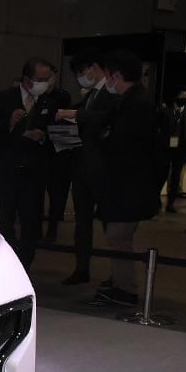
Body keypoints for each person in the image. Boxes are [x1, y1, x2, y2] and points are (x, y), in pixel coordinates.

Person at [67, 50, 160, 306]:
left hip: (129, 184)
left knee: (118, 236)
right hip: (124, 183)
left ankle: (126, 289)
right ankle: (121, 284)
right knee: (118, 237)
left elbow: (120, 141)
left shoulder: (136, 103)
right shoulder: (130, 100)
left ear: (117, 76)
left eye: (109, 76)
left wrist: (103, 137)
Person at [54, 49, 117, 285]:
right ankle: (82, 268)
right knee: (82, 223)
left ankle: (117, 275)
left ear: (95, 67)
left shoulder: (110, 93)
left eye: (83, 71)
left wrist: (77, 114)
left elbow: (105, 118)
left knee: (111, 225)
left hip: (103, 170)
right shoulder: (89, 96)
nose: (81, 77)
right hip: (81, 168)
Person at [0, 58, 56, 268]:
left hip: (34, 171)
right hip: (7, 169)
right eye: (40, 79)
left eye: (47, 79)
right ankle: (7, 260)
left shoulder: (49, 102)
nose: (44, 83)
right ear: (27, 79)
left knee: (31, 220)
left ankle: (25, 263)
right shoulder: (5, 97)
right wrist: (9, 123)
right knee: (5, 218)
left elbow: (57, 135)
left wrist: (43, 136)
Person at [41, 61, 74, 242]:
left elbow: (65, 128)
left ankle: (52, 228)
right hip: (40, 149)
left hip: (57, 149)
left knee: (56, 193)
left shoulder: (62, 96)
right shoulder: (37, 97)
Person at [163, 88, 186, 213]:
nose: (185, 98)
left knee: (176, 176)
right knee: (162, 173)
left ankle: (171, 203)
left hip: (180, 149)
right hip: (166, 147)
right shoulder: (166, 111)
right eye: (182, 95)